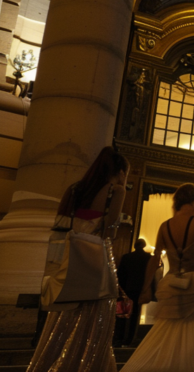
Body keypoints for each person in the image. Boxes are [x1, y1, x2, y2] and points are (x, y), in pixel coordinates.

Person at [28, 146, 128, 372]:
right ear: (120, 171)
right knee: (96, 328)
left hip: (71, 263)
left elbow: (60, 227)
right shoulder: (116, 191)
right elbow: (109, 232)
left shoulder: (75, 190)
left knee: (65, 323)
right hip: (98, 264)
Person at [121, 183, 194, 371]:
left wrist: (145, 289)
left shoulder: (165, 226)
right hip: (193, 284)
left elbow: (155, 259)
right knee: (193, 332)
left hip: (170, 284)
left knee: (167, 331)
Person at [113, 238, 152, 347]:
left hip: (127, 289)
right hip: (140, 289)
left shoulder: (126, 257)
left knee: (123, 314)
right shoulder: (148, 258)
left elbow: (120, 275)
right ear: (144, 246)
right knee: (135, 315)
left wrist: (121, 291)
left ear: (135, 246)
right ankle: (130, 339)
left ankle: (119, 338)